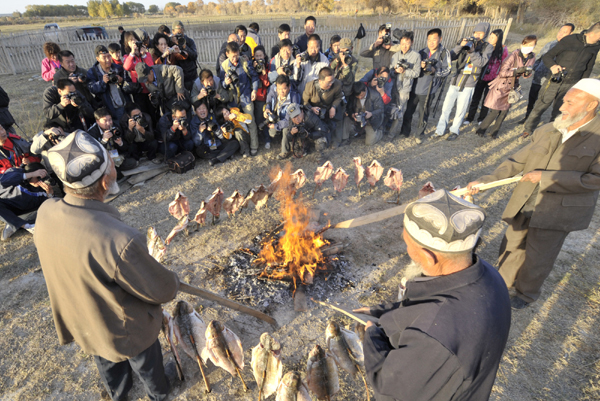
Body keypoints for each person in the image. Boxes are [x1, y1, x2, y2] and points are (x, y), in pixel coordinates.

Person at [34, 131, 180, 401]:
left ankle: (120, 393)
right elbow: (161, 290)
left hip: (85, 322)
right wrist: (173, 281)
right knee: (146, 363)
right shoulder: (118, 239)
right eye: (111, 162)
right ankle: (158, 392)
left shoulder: (45, 213)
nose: (115, 164)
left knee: (106, 361)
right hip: (126, 328)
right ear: (105, 182)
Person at [355, 189, 511, 401]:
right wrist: (384, 312)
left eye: (408, 245)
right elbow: (428, 306)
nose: (407, 251)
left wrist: (372, 336)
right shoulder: (490, 276)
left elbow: (389, 389)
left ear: (428, 257)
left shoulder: (434, 337)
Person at [467, 78, 600, 309]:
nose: (561, 107)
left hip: (558, 211)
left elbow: (595, 180)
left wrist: (546, 178)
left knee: (540, 254)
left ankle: (526, 294)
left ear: (591, 105)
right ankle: (501, 285)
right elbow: (517, 161)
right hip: (526, 200)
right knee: (511, 245)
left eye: (569, 102)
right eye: (563, 101)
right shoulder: (549, 129)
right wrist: (485, 181)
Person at [521, 22, 600, 139]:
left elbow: (588, 67)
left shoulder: (595, 47)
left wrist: (581, 86)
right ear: (594, 33)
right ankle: (528, 129)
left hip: (571, 84)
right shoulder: (570, 40)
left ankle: (551, 131)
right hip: (554, 80)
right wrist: (553, 66)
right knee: (541, 105)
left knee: (560, 110)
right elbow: (548, 56)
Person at [432, 22, 494, 141]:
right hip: (456, 80)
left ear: (485, 34)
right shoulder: (468, 42)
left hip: (469, 83)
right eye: (475, 32)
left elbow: (481, 63)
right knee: (446, 107)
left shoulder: (488, 47)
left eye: (480, 33)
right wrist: (461, 46)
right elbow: (451, 56)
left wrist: (472, 51)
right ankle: (439, 130)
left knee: (461, 109)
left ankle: (454, 130)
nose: (477, 35)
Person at [476, 36, 537, 139]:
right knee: (495, 110)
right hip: (501, 85)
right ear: (522, 44)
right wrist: (516, 71)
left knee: (504, 111)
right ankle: (481, 129)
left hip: (513, 86)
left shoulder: (532, 57)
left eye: (532, 45)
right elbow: (502, 72)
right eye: (527, 45)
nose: (529, 47)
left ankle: (494, 132)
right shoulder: (513, 55)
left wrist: (527, 72)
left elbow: (525, 76)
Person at [399, 28, 452, 142]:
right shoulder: (422, 52)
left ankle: (419, 134)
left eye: (434, 39)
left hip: (429, 89)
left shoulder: (443, 53)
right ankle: (405, 132)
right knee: (408, 111)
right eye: (429, 40)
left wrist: (434, 70)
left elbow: (448, 70)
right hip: (415, 87)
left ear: (440, 39)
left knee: (423, 113)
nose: (431, 42)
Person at [521, 23, 574, 124]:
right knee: (532, 99)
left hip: (549, 81)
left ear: (570, 34)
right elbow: (539, 57)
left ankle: (533, 122)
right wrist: (536, 68)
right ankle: (527, 118)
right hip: (538, 77)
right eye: (560, 31)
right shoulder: (550, 44)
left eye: (564, 32)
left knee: (541, 103)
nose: (560, 34)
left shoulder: (569, 49)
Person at [219, 41, 260, 156]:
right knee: (235, 124)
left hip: (246, 97)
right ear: (227, 54)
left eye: (237, 55)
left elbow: (255, 77)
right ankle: (239, 147)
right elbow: (221, 86)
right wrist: (225, 83)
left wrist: (254, 90)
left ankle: (254, 146)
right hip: (232, 100)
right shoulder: (224, 66)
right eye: (233, 56)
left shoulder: (244, 62)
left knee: (250, 121)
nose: (235, 58)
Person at [464, 29, 509, 125]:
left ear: (498, 39)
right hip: (480, 76)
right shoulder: (484, 46)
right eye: (490, 36)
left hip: (493, 79)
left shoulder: (503, 49)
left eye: (493, 37)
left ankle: (481, 119)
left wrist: (499, 78)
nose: (490, 39)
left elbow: (504, 65)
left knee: (487, 100)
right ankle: (470, 117)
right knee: (475, 98)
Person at [0, 162, 53, 241]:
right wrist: (31, 174)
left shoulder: (40, 189)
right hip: (5, 206)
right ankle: (26, 226)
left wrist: (50, 193)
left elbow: (49, 205)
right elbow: (2, 181)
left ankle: (13, 224)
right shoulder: (16, 172)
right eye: (37, 177)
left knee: (45, 211)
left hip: (23, 212)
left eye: (41, 178)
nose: (40, 181)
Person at [387, 30, 421, 140]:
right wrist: (396, 71)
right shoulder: (395, 55)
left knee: (400, 111)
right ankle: (388, 128)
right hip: (393, 87)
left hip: (405, 88)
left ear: (412, 42)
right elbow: (390, 71)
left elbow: (417, 73)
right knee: (391, 108)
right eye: (402, 43)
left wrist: (405, 71)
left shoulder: (416, 56)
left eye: (407, 43)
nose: (404, 46)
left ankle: (391, 134)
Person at [302, 66, 343, 148]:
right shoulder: (310, 86)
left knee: (338, 116)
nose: (331, 84)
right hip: (315, 112)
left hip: (329, 109)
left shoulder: (337, 84)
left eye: (332, 80)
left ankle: (335, 139)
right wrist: (311, 108)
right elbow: (304, 101)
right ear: (320, 81)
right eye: (328, 82)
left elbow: (339, 97)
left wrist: (333, 107)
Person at [88, 108, 137, 174]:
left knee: (132, 160)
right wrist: (104, 140)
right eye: (105, 120)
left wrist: (120, 143)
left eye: (110, 119)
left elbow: (125, 146)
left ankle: (115, 170)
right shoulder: (92, 133)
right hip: (103, 159)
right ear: (97, 121)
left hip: (114, 154)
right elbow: (94, 153)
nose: (108, 123)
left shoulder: (115, 127)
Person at [191, 102, 239, 166]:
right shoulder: (193, 122)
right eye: (199, 109)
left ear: (207, 109)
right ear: (195, 111)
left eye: (204, 108)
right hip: (207, 147)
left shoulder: (213, 117)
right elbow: (196, 143)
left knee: (235, 143)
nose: (202, 110)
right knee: (199, 151)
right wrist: (200, 131)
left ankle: (217, 159)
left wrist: (215, 130)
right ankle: (226, 154)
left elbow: (222, 137)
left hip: (218, 143)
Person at [87, 45, 127, 121]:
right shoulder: (93, 72)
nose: (108, 59)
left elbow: (128, 83)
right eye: (104, 57)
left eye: (109, 56)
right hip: (108, 108)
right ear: (98, 59)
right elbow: (92, 88)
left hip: (123, 104)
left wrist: (121, 80)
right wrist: (103, 82)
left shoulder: (118, 68)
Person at [123, 31, 155, 116]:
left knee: (154, 112)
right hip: (138, 90)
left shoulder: (146, 54)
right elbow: (126, 67)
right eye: (131, 41)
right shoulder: (128, 57)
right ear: (127, 44)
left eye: (135, 39)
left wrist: (144, 55)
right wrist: (132, 53)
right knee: (143, 112)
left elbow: (151, 66)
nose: (134, 42)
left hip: (150, 88)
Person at [264, 74, 301, 149]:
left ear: (289, 87)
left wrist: (276, 126)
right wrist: (267, 109)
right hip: (278, 115)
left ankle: (284, 151)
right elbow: (269, 98)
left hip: (289, 120)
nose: (281, 92)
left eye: (284, 89)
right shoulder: (273, 88)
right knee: (269, 128)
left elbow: (288, 120)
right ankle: (268, 140)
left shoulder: (294, 97)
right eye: (279, 89)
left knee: (285, 129)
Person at [343, 82, 384, 146]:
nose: (360, 97)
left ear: (365, 89)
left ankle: (380, 132)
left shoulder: (375, 95)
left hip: (371, 121)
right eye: (357, 96)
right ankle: (345, 139)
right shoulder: (353, 96)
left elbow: (381, 109)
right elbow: (349, 108)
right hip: (358, 120)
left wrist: (371, 114)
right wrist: (352, 114)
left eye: (362, 95)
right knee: (346, 119)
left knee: (369, 143)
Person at [252, 46, 272, 149]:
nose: (259, 58)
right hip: (255, 98)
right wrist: (254, 69)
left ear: (264, 55)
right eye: (257, 56)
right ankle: (260, 139)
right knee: (257, 119)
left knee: (265, 120)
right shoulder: (251, 66)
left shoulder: (268, 66)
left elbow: (267, 83)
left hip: (264, 98)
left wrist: (264, 71)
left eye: (261, 55)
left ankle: (267, 140)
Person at [170, 20, 199, 91]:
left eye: (181, 30)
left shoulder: (189, 41)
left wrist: (185, 46)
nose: (180, 33)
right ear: (173, 31)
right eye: (178, 32)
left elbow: (194, 55)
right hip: (180, 77)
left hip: (192, 75)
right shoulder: (170, 43)